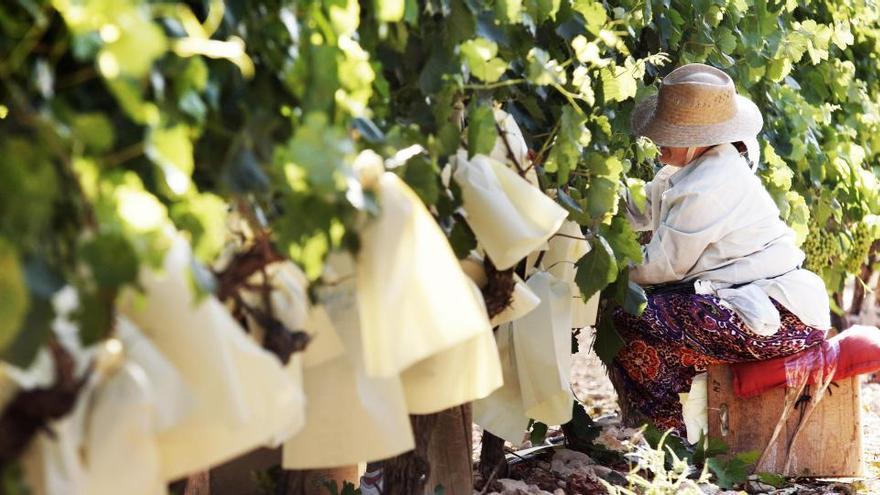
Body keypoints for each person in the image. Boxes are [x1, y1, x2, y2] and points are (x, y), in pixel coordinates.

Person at [613, 63, 831, 435]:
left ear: (698, 135)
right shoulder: (695, 168)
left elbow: (661, 268)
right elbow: (637, 207)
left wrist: (603, 270)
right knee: (650, 316)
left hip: (782, 315)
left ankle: (670, 437)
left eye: (669, 131)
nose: (657, 139)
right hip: (756, 303)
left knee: (632, 314)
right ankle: (682, 432)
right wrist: (586, 197)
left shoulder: (709, 183)